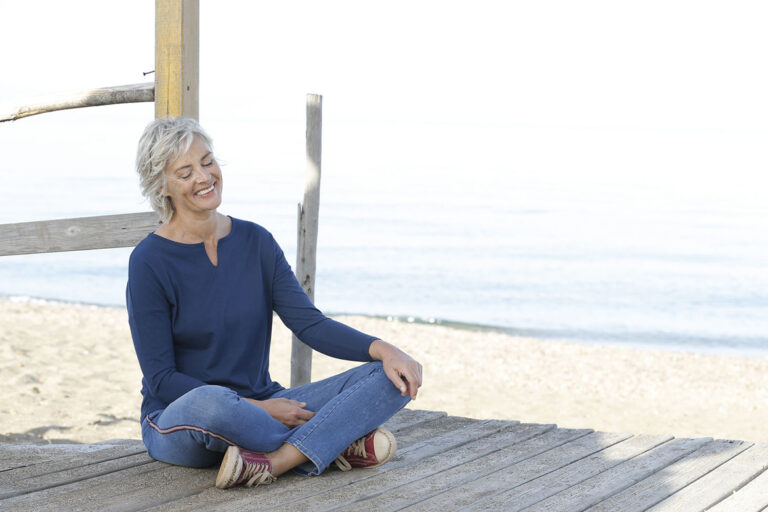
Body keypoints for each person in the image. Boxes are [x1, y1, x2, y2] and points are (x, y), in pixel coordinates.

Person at [126, 117, 423, 489]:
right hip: (183, 420)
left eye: (207, 161)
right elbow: (163, 380)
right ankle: (333, 441)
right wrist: (260, 409)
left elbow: (309, 324)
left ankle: (279, 460)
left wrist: (384, 349)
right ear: (161, 186)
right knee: (213, 402)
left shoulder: (256, 241)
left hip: (269, 408)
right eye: (185, 172)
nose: (204, 177)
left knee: (389, 377)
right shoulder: (149, 261)